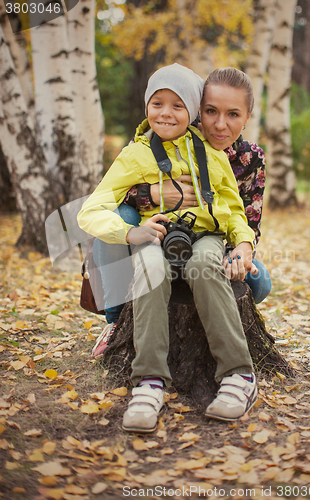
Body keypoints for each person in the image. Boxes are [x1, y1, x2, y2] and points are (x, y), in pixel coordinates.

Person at [77, 63, 258, 432]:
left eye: (178, 106)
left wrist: (242, 242)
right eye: (157, 103)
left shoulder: (211, 153)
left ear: (192, 111)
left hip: (205, 236)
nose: (166, 113)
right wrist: (130, 233)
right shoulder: (135, 155)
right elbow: (91, 209)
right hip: (154, 236)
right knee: (148, 269)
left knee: (206, 267)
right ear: (146, 107)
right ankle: (148, 383)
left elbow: (235, 208)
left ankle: (239, 376)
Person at [92, 67, 271, 358]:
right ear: (197, 109)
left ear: (248, 116)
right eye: (211, 111)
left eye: (234, 114)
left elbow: (248, 219)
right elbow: (109, 194)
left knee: (259, 282)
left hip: (212, 246)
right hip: (154, 239)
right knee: (120, 216)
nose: (220, 124)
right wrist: (151, 193)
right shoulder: (168, 138)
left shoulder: (249, 158)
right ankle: (115, 319)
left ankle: (212, 316)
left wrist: (240, 248)